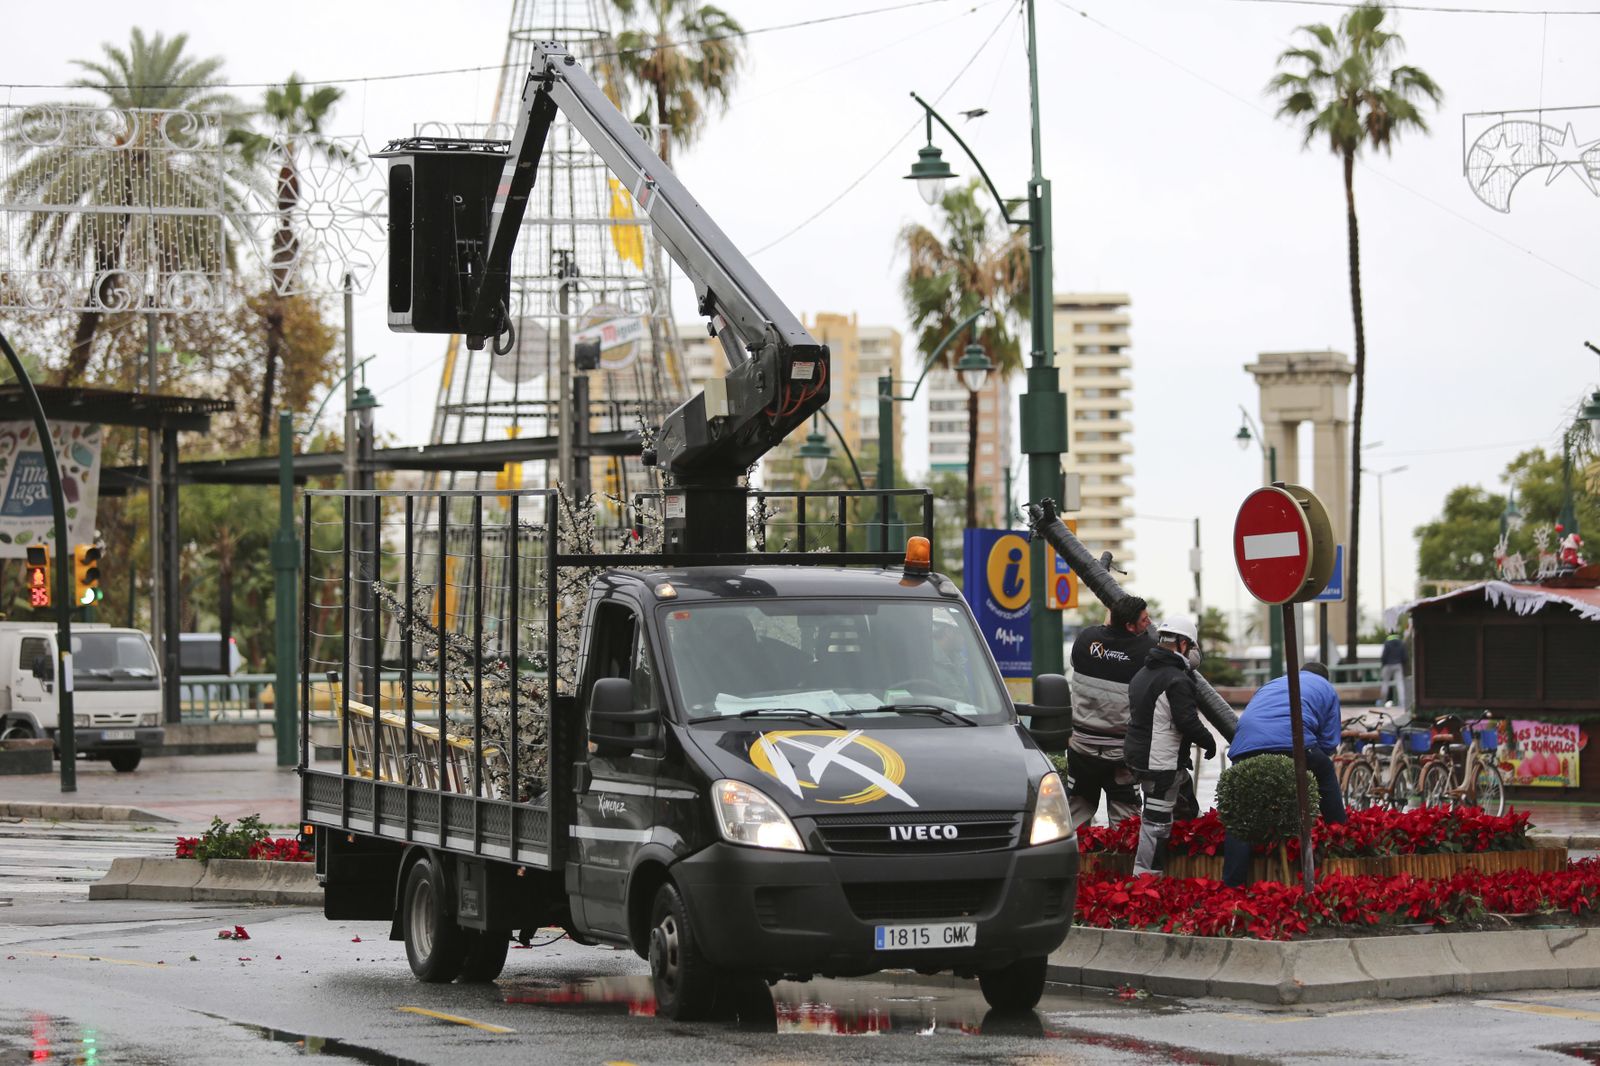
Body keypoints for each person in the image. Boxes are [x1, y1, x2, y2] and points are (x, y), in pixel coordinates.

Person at [1221, 661, 1347, 887]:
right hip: (1294, 745)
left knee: (1242, 812)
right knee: (1325, 771)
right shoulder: (1326, 688)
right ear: (1324, 677)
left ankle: (1233, 885)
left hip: (1245, 748)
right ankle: (1340, 836)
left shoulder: (1274, 683)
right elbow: (1329, 742)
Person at [1125, 616, 1216, 876]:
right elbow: (1186, 721)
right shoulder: (1176, 680)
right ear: (1184, 644)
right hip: (1159, 764)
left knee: (1186, 803)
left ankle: (1187, 867)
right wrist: (1208, 742)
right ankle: (1146, 880)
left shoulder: (1144, 673)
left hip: (1141, 756)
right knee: (1157, 823)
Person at [1065, 596, 1154, 829]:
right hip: (1121, 754)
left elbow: (1103, 642)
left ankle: (1072, 863)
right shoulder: (1146, 650)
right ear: (1130, 626)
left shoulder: (1085, 640)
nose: (1150, 622)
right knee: (1127, 825)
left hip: (1082, 750)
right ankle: (1121, 866)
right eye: (1145, 620)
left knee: (1074, 816)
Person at [1380, 633, 1407, 708]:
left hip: (1388, 664)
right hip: (1398, 664)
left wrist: (1383, 664)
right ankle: (1402, 703)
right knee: (1400, 684)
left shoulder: (1387, 642)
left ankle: (1383, 701)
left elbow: (1384, 656)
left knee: (1385, 683)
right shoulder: (1401, 642)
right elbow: (1404, 656)